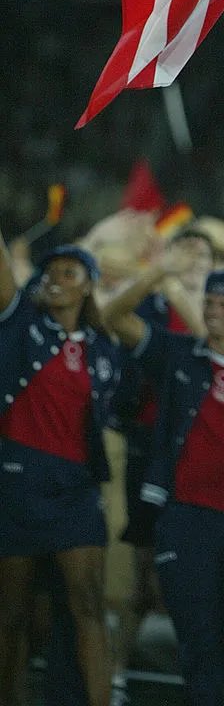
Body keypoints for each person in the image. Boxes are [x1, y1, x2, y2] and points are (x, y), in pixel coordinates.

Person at [102, 266, 224, 706]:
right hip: (184, 519)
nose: (212, 311)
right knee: (196, 635)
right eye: (208, 302)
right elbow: (113, 318)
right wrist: (157, 274)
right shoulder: (179, 354)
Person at [0, 237, 121, 706]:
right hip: (19, 480)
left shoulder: (103, 348)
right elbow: (7, 277)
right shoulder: (20, 325)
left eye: (71, 272)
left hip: (76, 487)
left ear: (90, 286)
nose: (56, 278)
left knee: (89, 605)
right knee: (12, 613)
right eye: (51, 271)